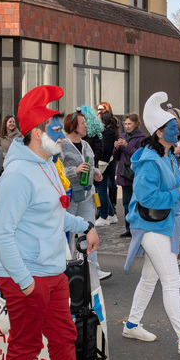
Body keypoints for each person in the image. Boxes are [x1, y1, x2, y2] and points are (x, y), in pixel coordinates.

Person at [0, 85, 117, 360]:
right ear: (35, 133)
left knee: (63, 340)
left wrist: (86, 226)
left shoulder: (46, 165)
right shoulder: (17, 175)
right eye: (54, 129)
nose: (60, 135)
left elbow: (55, 215)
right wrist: (25, 280)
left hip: (52, 272)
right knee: (25, 348)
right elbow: (1, 235)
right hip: (26, 276)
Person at [121, 92, 180, 353]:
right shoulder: (150, 160)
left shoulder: (167, 156)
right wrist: (177, 193)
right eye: (173, 128)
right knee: (172, 281)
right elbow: (146, 197)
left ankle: (131, 324)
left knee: (150, 279)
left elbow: (174, 190)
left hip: (163, 224)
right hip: (151, 225)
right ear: (159, 133)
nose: (178, 131)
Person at [61, 107, 110, 280]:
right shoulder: (63, 145)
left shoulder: (86, 144)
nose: (86, 126)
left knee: (89, 230)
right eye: (83, 123)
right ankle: (65, 268)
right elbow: (57, 171)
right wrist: (74, 170)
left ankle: (92, 269)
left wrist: (96, 172)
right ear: (73, 125)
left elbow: (90, 164)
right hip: (71, 197)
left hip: (87, 196)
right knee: (67, 232)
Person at [113, 112, 147, 237]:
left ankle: (137, 227)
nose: (127, 126)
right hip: (123, 173)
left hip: (135, 174)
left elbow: (140, 156)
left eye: (129, 124)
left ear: (136, 124)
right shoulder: (122, 136)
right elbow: (116, 157)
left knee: (137, 202)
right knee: (126, 202)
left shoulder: (141, 138)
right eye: (126, 123)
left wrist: (127, 146)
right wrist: (116, 148)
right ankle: (129, 228)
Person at [90, 106, 119, 225]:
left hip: (105, 165)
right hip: (107, 164)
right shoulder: (110, 131)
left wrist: (98, 158)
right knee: (102, 190)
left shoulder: (108, 133)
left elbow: (105, 150)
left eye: (99, 118)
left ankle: (103, 216)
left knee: (101, 190)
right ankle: (111, 214)